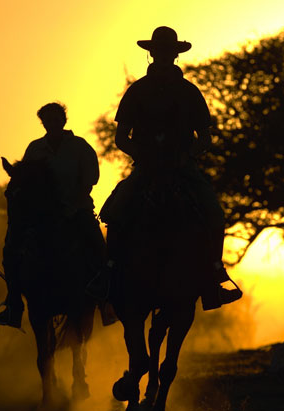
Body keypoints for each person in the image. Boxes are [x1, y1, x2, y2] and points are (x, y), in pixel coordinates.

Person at [99, 26, 241, 310]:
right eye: (159, 51)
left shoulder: (190, 92)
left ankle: (214, 275)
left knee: (213, 212)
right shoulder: (137, 91)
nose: (164, 56)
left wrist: (186, 156)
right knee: (113, 212)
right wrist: (142, 154)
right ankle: (109, 274)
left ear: (175, 55)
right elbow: (120, 137)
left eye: (168, 51)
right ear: (152, 54)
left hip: (182, 167)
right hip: (146, 168)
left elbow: (206, 138)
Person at [0, 102, 112, 328]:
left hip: (78, 210)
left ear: (63, 121)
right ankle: (13, 304)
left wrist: (73, 205)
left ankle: (106, 300)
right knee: (11, 249)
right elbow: (25, 180)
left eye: (56, 119)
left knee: (97, 246)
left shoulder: (80, 146)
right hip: (43, 216)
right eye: (47, 120)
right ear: (43, 123)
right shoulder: (34, 149)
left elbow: (91, 179)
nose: (52, 123)